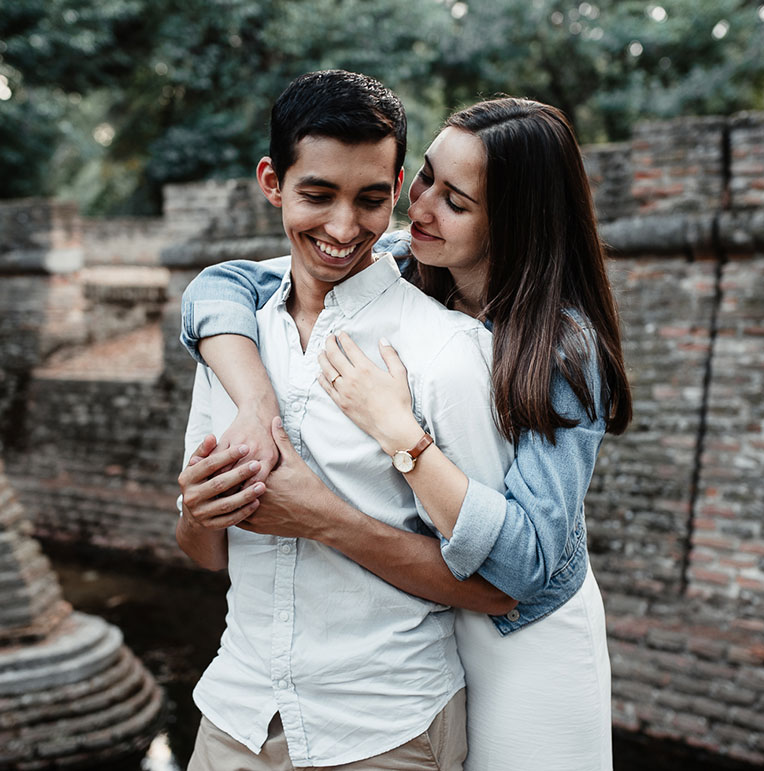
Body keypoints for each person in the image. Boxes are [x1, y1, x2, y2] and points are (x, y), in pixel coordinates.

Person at [178, 97, 632, 770]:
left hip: (523, 636)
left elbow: (524, 566)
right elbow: (224, 283)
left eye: (455, 199)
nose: (417, 207)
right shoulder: (405, 258)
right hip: (415, 625)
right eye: (424, 177)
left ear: (511, 219)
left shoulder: (561, 350)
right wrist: (252, 399)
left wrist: (400, 434)